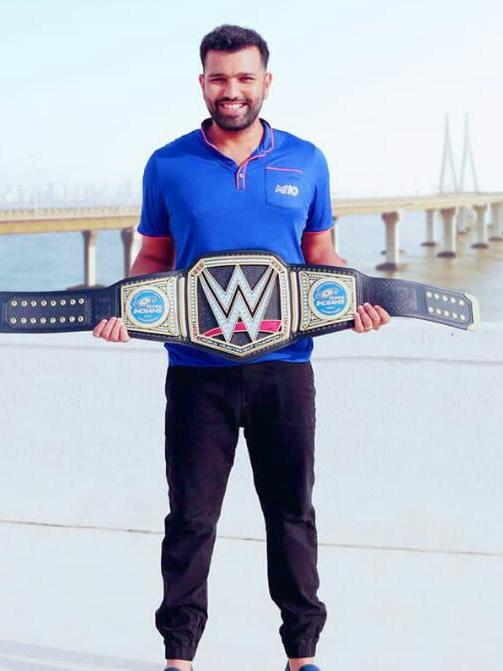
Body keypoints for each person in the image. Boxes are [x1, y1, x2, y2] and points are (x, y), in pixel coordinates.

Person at [93, 24, 390, 671]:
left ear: (266, 82)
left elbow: (320, 255)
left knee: (291, 515)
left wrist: (356, 299)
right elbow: (154, 258)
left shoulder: (306, 161)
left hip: (285, 369)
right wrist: (125, 308)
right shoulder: (167, 164)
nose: (232, 90)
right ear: (202, 83)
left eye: (244, 77)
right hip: (196, 372)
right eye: (219, 78)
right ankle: (178, 657)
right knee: (190, 519)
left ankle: (301, 655)